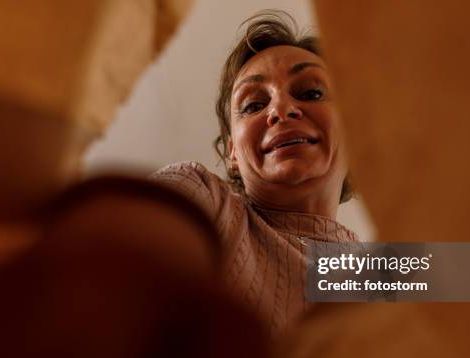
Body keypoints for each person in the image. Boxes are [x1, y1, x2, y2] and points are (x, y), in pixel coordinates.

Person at [151, 11, 357, 335]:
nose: (280, 110)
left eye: (311, 93)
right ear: (232, 152)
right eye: (252, 105)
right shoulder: (206, 202)